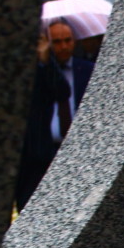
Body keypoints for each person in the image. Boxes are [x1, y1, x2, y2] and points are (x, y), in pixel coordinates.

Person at [14, 20, 95, 211]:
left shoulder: (88, 70)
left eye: (68, 40)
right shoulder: (36, 71)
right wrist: (45, 61)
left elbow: (63, 92)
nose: (64, 46)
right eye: (57, 42)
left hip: (77, 153)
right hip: (40, 154)